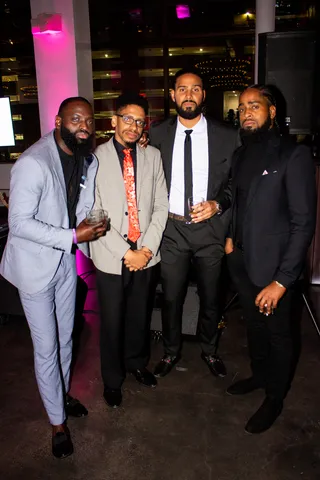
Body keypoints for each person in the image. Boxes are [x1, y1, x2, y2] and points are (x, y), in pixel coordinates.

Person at [0, 97, 107, 458]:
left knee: (66, 339)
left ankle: (60, 397)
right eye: (76, 119)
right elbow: (18, 224)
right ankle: (57, 423)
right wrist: (74, 236)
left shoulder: (83, 157)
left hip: (64, 262)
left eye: (89, 121)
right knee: (46, 348)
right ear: (58, 119)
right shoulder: (32, 163)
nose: (84, 127)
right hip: (34, 268)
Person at [225, 85, 316, 434]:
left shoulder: (293, 156)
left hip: (275, 271)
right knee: (254, 326)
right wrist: (231, 241)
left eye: (255, 106)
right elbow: (239, 200)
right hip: (242, 262)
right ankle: (259, 376)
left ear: (272, 111)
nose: (247, 112)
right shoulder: (241, 154)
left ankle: (275, 397)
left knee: (278, 334)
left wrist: (282, 280)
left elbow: (303, 222)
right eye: (243, 107)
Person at [148, 68, 239, 379]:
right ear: (173, 95)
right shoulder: (157, 135)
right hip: (171, 231)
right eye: (182, 89)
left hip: (210, 231)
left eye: (195, 89)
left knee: (211, 297)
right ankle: (171, 351)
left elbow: (235, 183)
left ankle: (209, 350)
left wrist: (218, 204)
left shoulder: (227, 135)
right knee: (171, 297)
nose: (188, 94)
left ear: (204, 95)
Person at [90, 92, 168, 408]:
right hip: (111, 255)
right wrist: (126, 252)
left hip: (146, 255)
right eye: (127, 119)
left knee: (139, 314)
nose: (133, 126)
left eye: (139, 120)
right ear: (114, 120)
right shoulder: (94, 159)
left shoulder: (153, 156)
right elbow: (93, 213)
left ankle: (136, 363)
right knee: (111, 321)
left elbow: (161, 205)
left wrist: (146, 249)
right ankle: (112, 379)